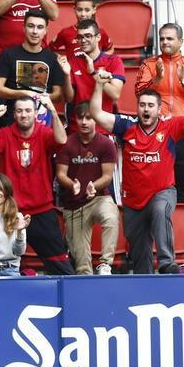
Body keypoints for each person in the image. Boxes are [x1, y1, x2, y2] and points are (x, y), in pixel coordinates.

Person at [91, 77, 184, 275]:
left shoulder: (170, 127)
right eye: (142, 105)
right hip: (133, 201)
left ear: (159, 109)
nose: (146, 110)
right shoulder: (126, 126)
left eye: (150, 106)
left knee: (160, 210)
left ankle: (166, 263)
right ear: (137, 108)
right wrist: (97, 85)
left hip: (162, 192)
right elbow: (96, 113)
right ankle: (146, 284)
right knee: (140, 259)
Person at [0, 97, 73, 274]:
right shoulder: (6, 134)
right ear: (14, 114)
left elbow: (61, 141)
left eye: (28, 111)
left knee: (60, 266)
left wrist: (53, 111)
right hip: (11, 211)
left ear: (36, 114)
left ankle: (70, 300)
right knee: (5, 264)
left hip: (42, 209)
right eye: (20, 111)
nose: (24, 115)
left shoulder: (43, 132)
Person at [135, 24, 184, 204]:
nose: (164, 42)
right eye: (162, 38)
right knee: (155, 185)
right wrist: (157, 79)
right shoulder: (150, 64)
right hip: (157, 131)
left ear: (180, 41)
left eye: (169, 38)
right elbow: (139, 93)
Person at [54, 103, 117, 275]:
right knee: (82, 265)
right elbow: (61, 174)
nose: (84, 122)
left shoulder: (106, 144)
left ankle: (105, 264)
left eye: (88, 117)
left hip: (99, 197)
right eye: (80, 117)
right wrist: (71, 184)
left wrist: (93, 186)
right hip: (74, 204)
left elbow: (107, 176)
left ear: (95, 119)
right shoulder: (67, 143)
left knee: (111, 217)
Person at [0, 9, 68, 120]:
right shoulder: (8, 55)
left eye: (40, 27)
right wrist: (23, 93)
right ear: (24, 27)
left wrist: (38, 97)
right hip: (12, 120)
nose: (35, 31)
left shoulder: (53, 58)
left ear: (46, 30)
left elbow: (58, 96)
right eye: (31, 26)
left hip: (42, 121)